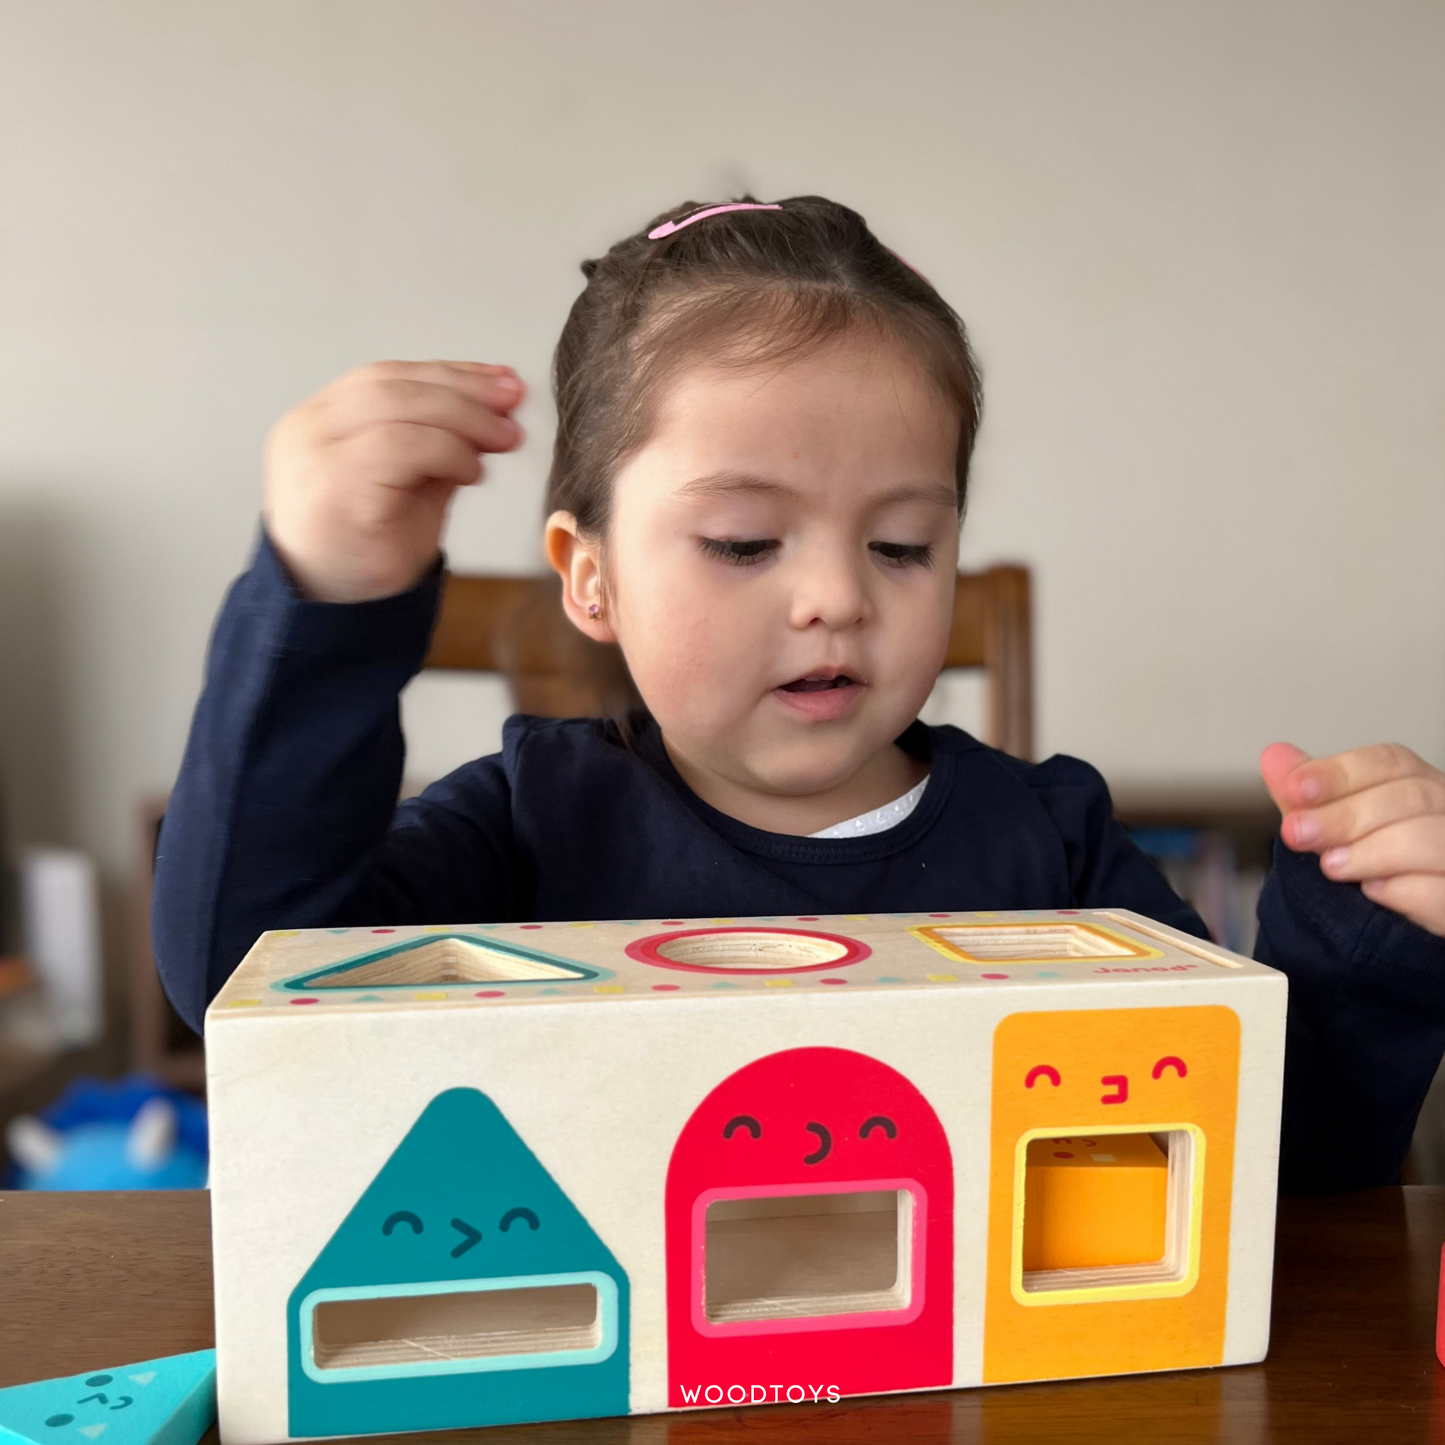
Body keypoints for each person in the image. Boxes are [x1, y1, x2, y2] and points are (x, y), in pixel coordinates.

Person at [153, 195, 1445, 1191]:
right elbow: (247, 980)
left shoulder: (1050, 847)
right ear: (588, 578)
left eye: (900, 546)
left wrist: (1367, 930)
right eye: (744, 542)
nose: (836, 596)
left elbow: (1274, 1170)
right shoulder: (530, 826)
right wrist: (329, 609)